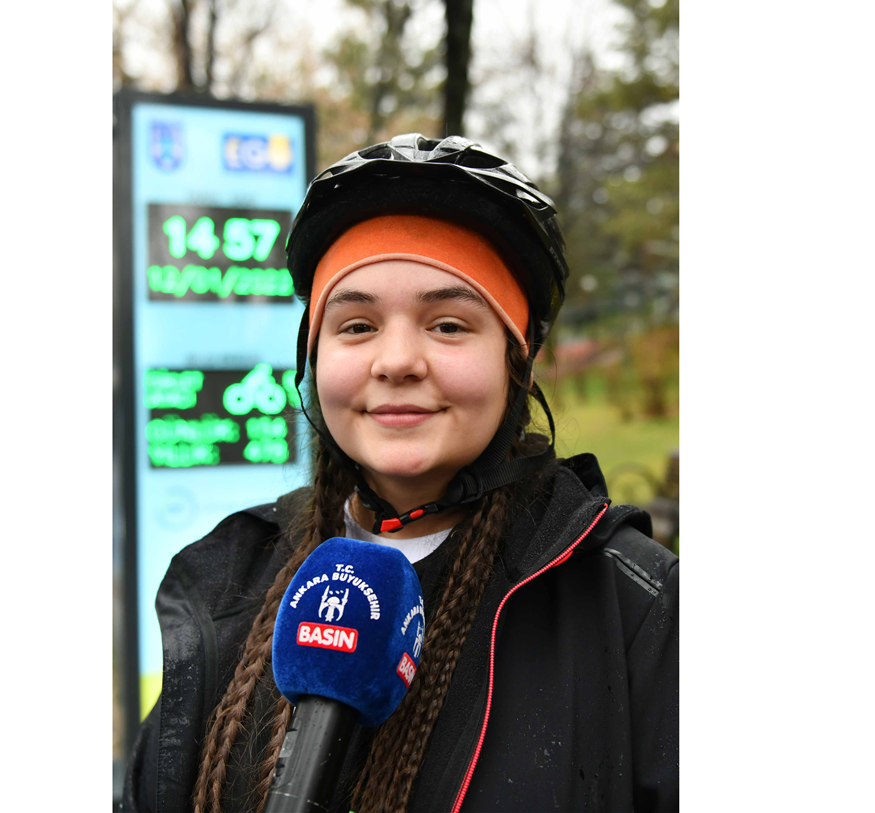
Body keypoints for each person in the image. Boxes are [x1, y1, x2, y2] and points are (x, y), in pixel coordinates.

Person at [123, 135, 679, 813]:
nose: (395, 361)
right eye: (356, 326)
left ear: (520, 360)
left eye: (448, 325)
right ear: (313, 358)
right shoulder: (227, 577)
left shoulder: (637, 610)